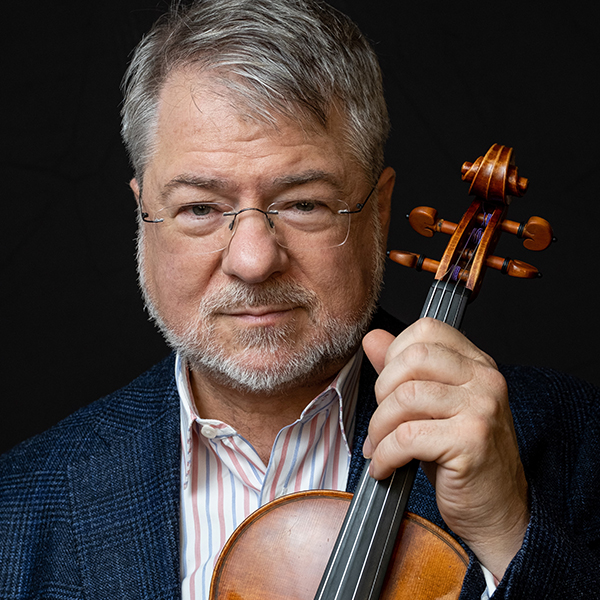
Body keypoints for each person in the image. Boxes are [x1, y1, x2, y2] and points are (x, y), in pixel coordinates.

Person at [0, 0, 598, 598]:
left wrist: (505, 532)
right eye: (201, 209)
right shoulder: (20, 505)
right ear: (144, 215)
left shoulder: (577, 445)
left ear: (380, 211)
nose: (254, 260)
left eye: (303, 203)